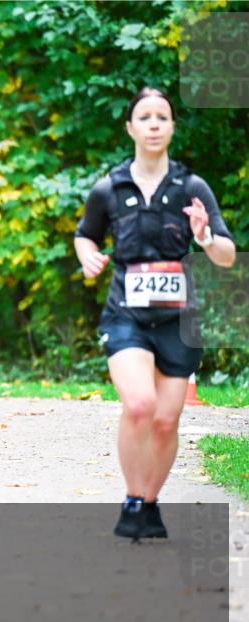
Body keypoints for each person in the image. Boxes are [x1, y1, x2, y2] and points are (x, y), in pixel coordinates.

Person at [74, 87, 236, 540]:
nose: (153, 124)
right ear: (130, 127)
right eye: (144, 117)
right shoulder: (109, 187)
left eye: (161, 117)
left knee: (166, 422)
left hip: (178, 321)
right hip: (124, 312)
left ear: (171, 127)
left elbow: (225, 255)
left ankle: (150, 502)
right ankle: (131, 500)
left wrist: (203, 237)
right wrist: (88, 255)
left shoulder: (191, 188)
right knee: (140, 405)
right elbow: (85, 235)